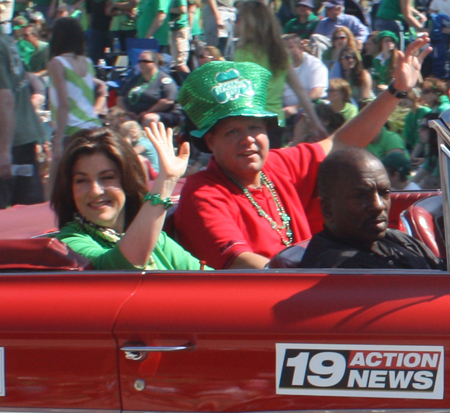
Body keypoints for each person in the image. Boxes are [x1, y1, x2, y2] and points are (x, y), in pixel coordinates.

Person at [173, 35, 432, 270]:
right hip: (265, 306)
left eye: (255, 127)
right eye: (232, 132)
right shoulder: (202, 193)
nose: (248, 140)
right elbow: (243, 265)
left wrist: (396, 90)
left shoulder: (278, 164)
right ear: (210, 142)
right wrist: (316, 283)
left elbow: (341, 144)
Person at [51, 125, 211, 270]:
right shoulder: (67, 243)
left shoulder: (156, 239)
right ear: (69, 189)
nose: (95, 191)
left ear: (128, 182)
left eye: (107, 178)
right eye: (81, 180)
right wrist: (166, 181)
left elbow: (209, 283)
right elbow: (122, 266)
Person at [299, 147, 444, 269]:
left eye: (384, 193)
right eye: (360, 196)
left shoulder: (396, 239)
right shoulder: (337, 270)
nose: (378, 205)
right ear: (328, 209)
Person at [233, 0, 327, 148]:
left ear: (248, 23)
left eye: (239, 18)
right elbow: (299, 89)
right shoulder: (279, 51)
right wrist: (316, 123)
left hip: (252, 123)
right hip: (276, 121)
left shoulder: (244, 52)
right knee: (271, 167)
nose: (235, 22)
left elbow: (241, 94)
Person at [0, 29, 45, 209]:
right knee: (28, 210)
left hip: (8, 141)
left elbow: (5, 100)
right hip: (23, 136)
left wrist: (3, 152)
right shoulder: (5, 39)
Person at [47, 17, 102, 162]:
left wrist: (58, 141)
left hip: (71, 129)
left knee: (59, 178)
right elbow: (102, 87)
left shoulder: (57, 63)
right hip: (93, 125)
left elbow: (64, 104)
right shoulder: (87, 61)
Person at [117, 50, 183, 128]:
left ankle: (149, 140)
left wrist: (147, 112)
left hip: (161, 114)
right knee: (119, 118)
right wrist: (127, 112)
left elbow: (168, 101)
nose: (141, 64)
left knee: (148, 118)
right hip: (133, 114)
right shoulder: (135, 79)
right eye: (140, 61)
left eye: (145, 61)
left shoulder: (164, 80)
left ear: (155, 63)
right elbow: (120, 98)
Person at [282, 33, 328, 118]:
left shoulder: (314, 64)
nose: (286, 51)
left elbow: (317, 92)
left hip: (311, 108)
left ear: (300, 48)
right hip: (284, 109)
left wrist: (295, 108)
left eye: (290, 47)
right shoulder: (279, 67)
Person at [411, 112, 441, 189]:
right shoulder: (431, 147)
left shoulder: (445, 148)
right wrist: (405, 188)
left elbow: (434, 182)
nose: (419, 130)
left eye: (423, 128)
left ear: (435, 128)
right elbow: (424, 170)